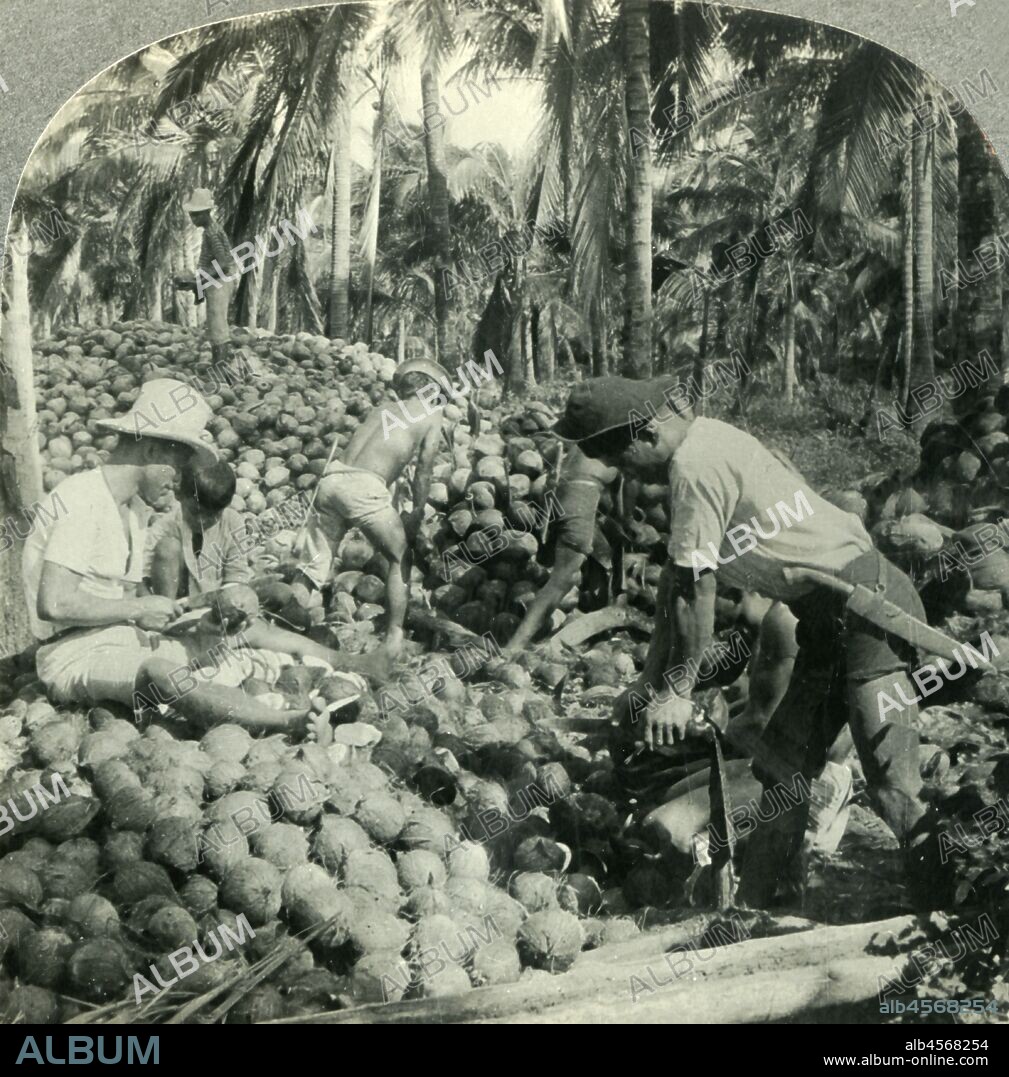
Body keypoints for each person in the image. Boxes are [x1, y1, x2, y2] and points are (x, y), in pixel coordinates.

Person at [552, 375, 946, 908]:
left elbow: (697, 591)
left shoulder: (695, 467)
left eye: (622, 461)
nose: (628, 475)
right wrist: (651, 681)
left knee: (891, 783)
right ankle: (770, 906)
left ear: (643, 436)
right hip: (828, 626)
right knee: (780, 772)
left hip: (870, 610)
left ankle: (949, 907)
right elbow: (676, 579)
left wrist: (682, 691)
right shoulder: (706, 439)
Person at [22, 379, 313, 734]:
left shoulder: (133, 513)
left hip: (121, 639)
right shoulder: (82, 499)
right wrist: (139, 609)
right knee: (160, 673)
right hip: (71, 655)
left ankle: (340, 667)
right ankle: (285, 723)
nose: (178, 484)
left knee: (225, 638)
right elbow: (53, 604)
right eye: (177, 466)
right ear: (151, 452)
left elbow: (125, 607)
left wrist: (190, 614)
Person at [147, 457, 388, 683]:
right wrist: (177, 609)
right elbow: (141, 589)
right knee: (168, 548)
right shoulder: (164, 529)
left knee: (278, 599)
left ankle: (347, 661)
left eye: (214, 515)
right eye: (197, 512)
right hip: (176, 615)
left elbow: (235, 581)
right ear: (181, 496)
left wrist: (237, 605)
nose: (205, 521)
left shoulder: (232, 522)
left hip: (215, 612)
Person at [309, 358, 447, 659]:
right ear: (431, 390)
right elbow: (424, 469)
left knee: (315, 564)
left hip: (331, 479)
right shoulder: (431, 414)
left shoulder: (382, 409)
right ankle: (394, 638)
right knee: (400, 557)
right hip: (364, 486)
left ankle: (297, 622)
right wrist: (418, 511)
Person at [503, 445, 620, 656]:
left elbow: (552, 452)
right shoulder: (630, 443)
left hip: (555, 489)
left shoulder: (601, 430)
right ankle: (514, 645)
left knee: (584, 556)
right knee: (563, 578)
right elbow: (620, 506)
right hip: (579, 495)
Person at [173, 188, 235, 367]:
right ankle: (218, 366)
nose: (193, 220)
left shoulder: (212, 232)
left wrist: (201, 281)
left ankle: (220, 369)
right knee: (215, 328)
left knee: (218, 329)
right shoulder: (211, 230)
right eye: (192, 215)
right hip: (217, 280)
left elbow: (224, 263)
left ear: (206, 213)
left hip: (220, 282)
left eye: (196, 215)